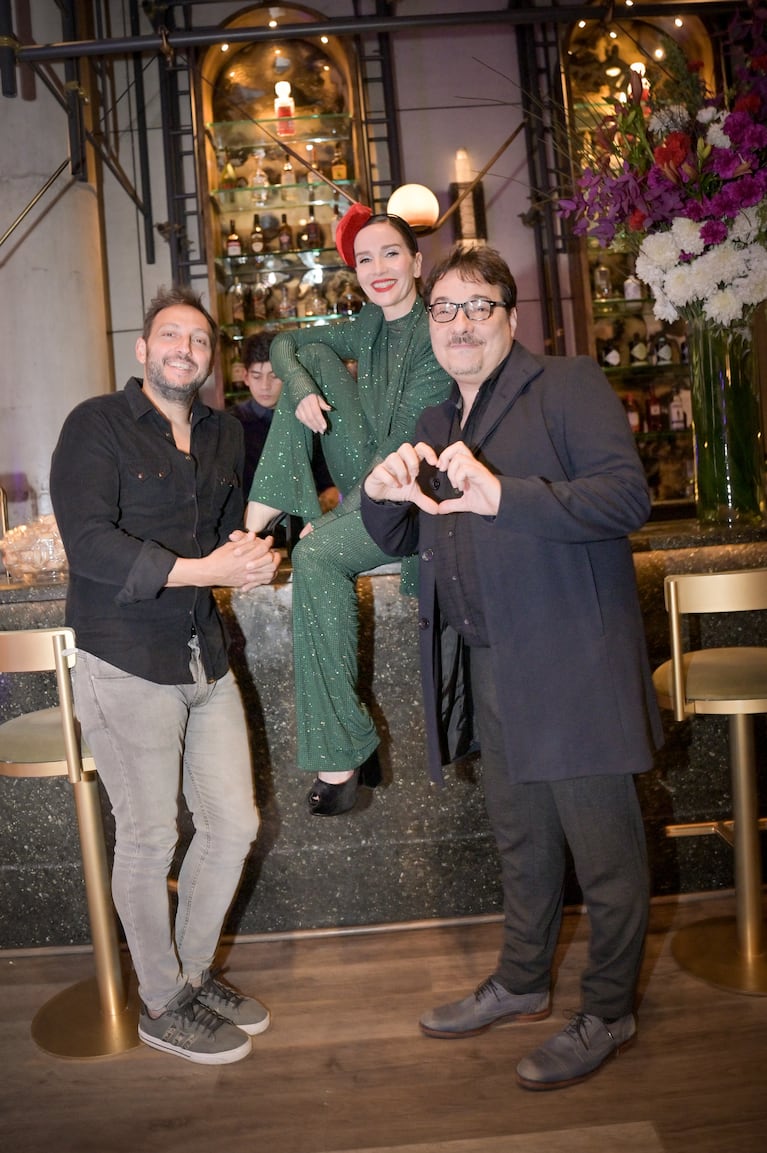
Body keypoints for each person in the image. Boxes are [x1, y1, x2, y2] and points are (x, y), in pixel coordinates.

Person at [360, 245, 664, 1091]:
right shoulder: (432, 423)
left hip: (571, 661)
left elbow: (623, 497)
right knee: (520, 841)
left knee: (605, 857)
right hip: (487, 664)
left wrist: (503, 493)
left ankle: (607, 1007)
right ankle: (523, 981)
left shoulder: (564, 384)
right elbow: (394, 534)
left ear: (509, 316)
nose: (459, 323)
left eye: (476, 306)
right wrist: (379, 489)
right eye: (444, 310)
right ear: (430, 328)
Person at [50, 285, 281, 1065]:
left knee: (233, 824)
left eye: (199, 339)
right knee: (149, 839)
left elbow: (222, 531)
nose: (185, 347)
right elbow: (89, 542)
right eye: (170, 335)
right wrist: (205, 566)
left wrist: (252, 553)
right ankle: (160, 999)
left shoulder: (220, 434)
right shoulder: (96, 425)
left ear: (210, 360)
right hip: (124, 658)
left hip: (199, 653)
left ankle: (190, 971)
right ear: (143, 350)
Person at [245, 209, 452, 816]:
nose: (378, 269)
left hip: (413, 500)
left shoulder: (432, 332)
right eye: (365, 259)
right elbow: (285, 343)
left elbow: (398, 459)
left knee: (313, 553)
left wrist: (337, 519)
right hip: (368, 481)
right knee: (313, 364)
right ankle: (258, 523)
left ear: (416, 262)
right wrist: (302, 387)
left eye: (392, 254)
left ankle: (344, 753)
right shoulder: (366, 327)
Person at [231, 331, 339, 513]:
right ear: (245, 377)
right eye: (257, 376)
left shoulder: (308, 416)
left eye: (273, 376)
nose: (265, 386)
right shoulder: (232, 424)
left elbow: (326, 482)